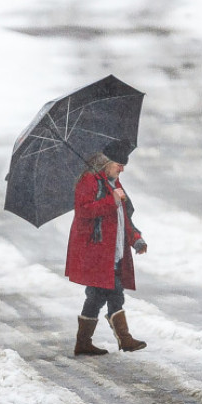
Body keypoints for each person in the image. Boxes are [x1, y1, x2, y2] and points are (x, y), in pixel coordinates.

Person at [65, 139, 148, 356]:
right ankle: (125, 338)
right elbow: (83, 212)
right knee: (114, 291)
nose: (122, 169)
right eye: (119, 164)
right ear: (106, 163)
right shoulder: (89, 182)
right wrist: (111, 200)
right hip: (96, 253)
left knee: (96, 296)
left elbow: (124, 218)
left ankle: (83, 343)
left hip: (113, 252)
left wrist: (136, 239)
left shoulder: (113, 184)